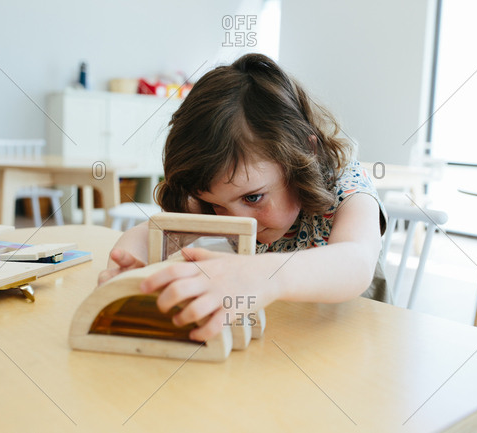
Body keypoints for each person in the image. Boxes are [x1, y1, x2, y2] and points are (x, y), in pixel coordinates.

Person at [98, 53, 388, 342]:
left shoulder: (346, 188)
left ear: (305, 154)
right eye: (217, 205)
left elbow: (355, 260)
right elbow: (147, 234)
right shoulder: (215, 201)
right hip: (282, 339)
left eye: (253, 198)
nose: (238, 223)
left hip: (352, 343)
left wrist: (262, 276)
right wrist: (127, 274)